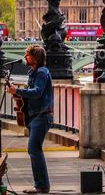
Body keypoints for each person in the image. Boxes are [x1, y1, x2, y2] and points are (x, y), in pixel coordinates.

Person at [6, 44, 54, 193]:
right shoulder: (34, 72)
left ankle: (41, 186)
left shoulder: (42, 72)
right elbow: (31, 93)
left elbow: (38, 92)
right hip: (35, 115)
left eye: (27, 55)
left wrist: (18, 90)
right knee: (34, 150)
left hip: (42, 115)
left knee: (34, 149)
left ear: (34, 57)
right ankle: (40, 185)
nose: (25, 57)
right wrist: (17, 93)